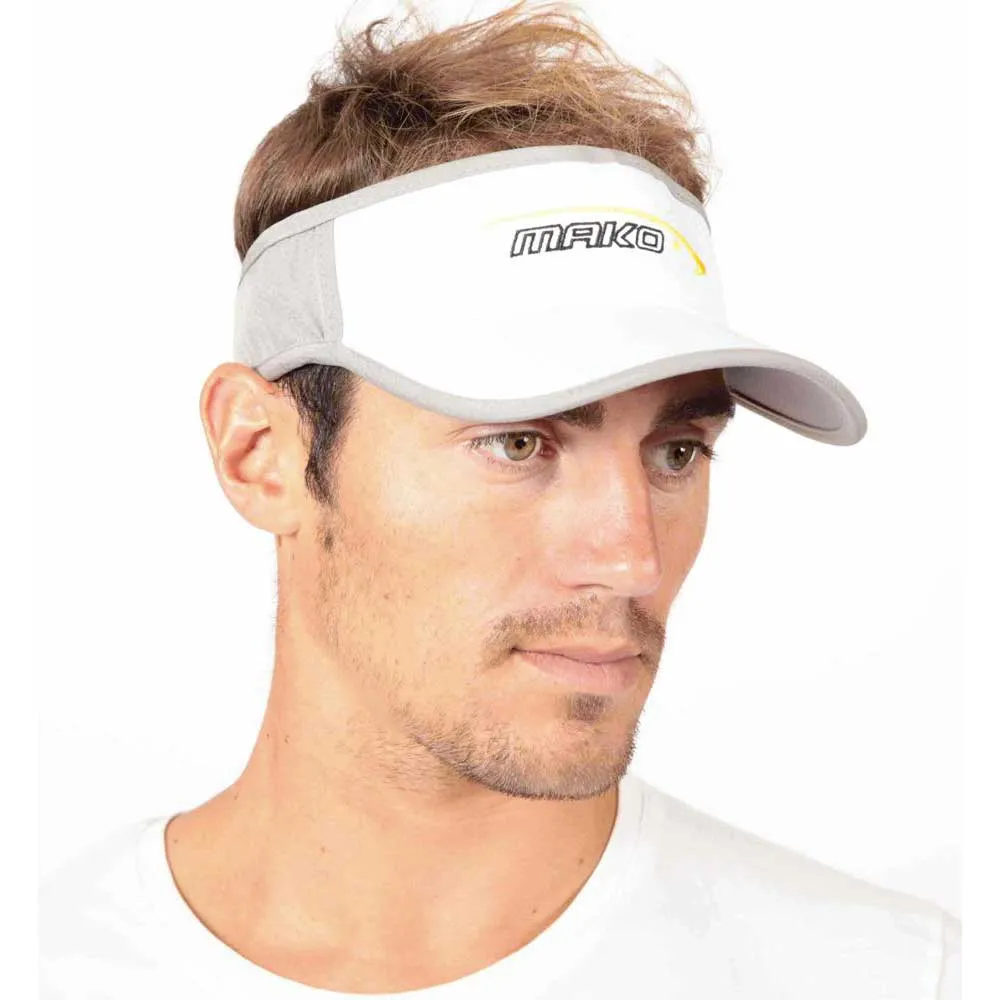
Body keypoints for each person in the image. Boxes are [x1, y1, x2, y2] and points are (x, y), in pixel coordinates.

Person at [40, 2, 960, 997]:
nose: (632, 559)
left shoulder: (893, 976)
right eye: (518, 441)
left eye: (676, 451)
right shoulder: (53, 966)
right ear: (260, 453)